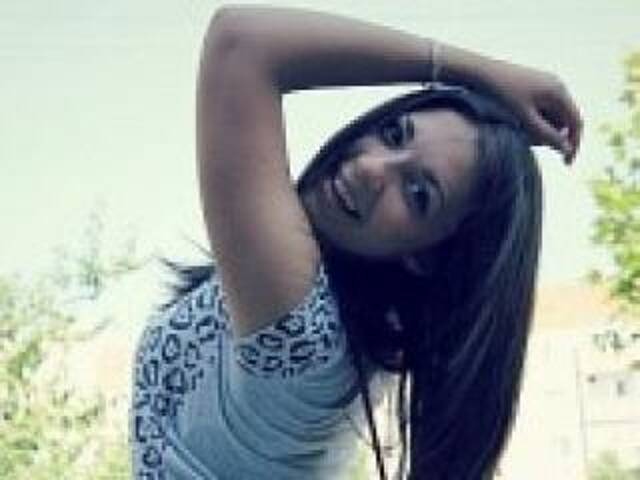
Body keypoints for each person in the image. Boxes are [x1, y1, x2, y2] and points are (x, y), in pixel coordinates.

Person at [129, 5, 582, 480]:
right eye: (393, 134)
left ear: (426, 257)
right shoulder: (348, 329)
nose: (369, 168)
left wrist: (474, 71)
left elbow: (240, 44)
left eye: (418, 193)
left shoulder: (304, 329)